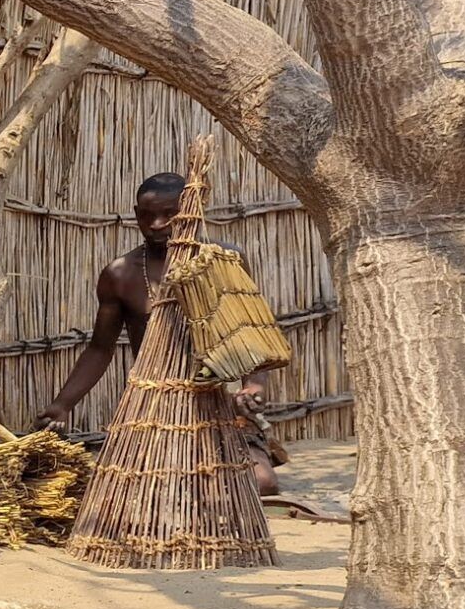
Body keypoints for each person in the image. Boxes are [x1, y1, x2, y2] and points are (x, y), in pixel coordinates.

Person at [34, 172, 284, 494]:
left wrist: (253, 386)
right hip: (154, 404)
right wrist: (62, 404)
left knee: (260, 482)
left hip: (216, 401)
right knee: (130, 486)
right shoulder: (121, 275)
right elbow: (100, 349)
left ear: (191, 211)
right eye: (147, 215)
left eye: (169, 214)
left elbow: (251, 331)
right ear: (136, 214)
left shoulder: (225, 260)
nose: (156, 224)